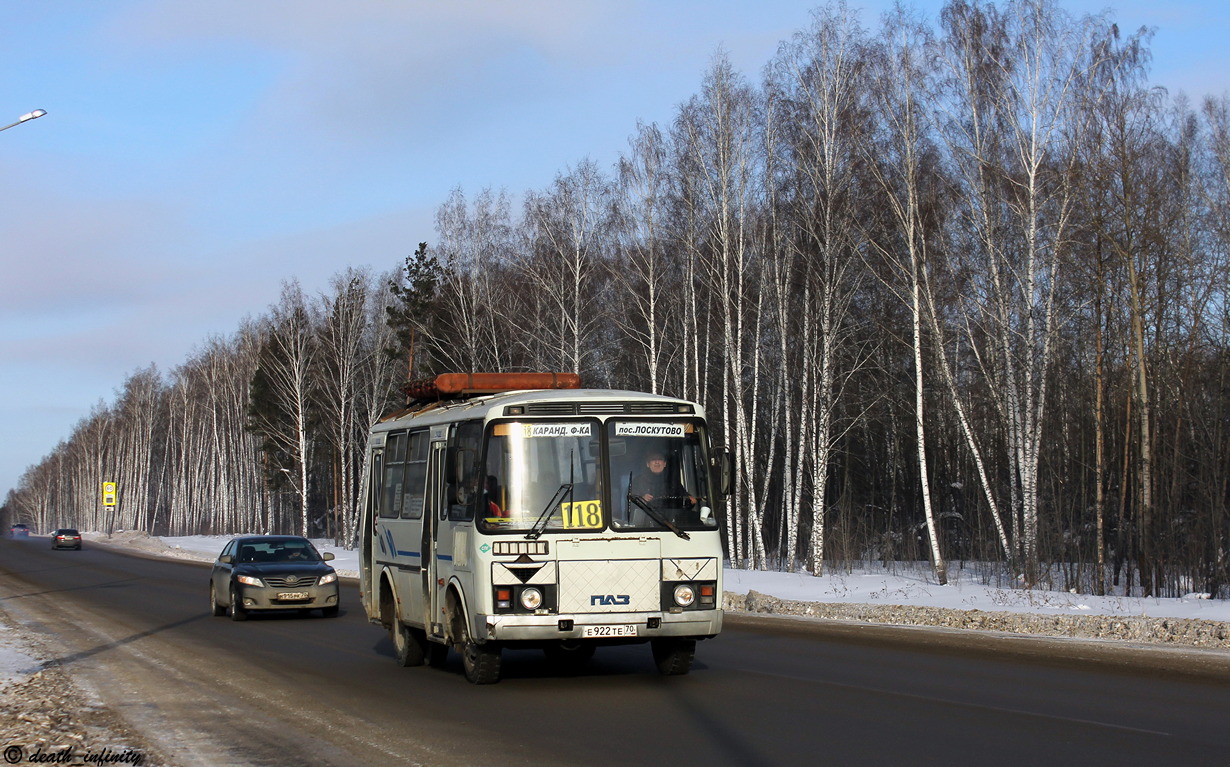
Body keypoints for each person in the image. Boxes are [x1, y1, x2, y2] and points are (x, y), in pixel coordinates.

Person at [628, 451, 695, 510]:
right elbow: (630, 505)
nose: (657, 462)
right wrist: (642, 500)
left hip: (671, 519)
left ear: (665, 464)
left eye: (660, 459)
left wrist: (690, 500)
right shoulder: (638, 481)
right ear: (647, 464)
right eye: (653, 459)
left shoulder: (673, 481)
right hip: (646, 521)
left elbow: (684, 497)